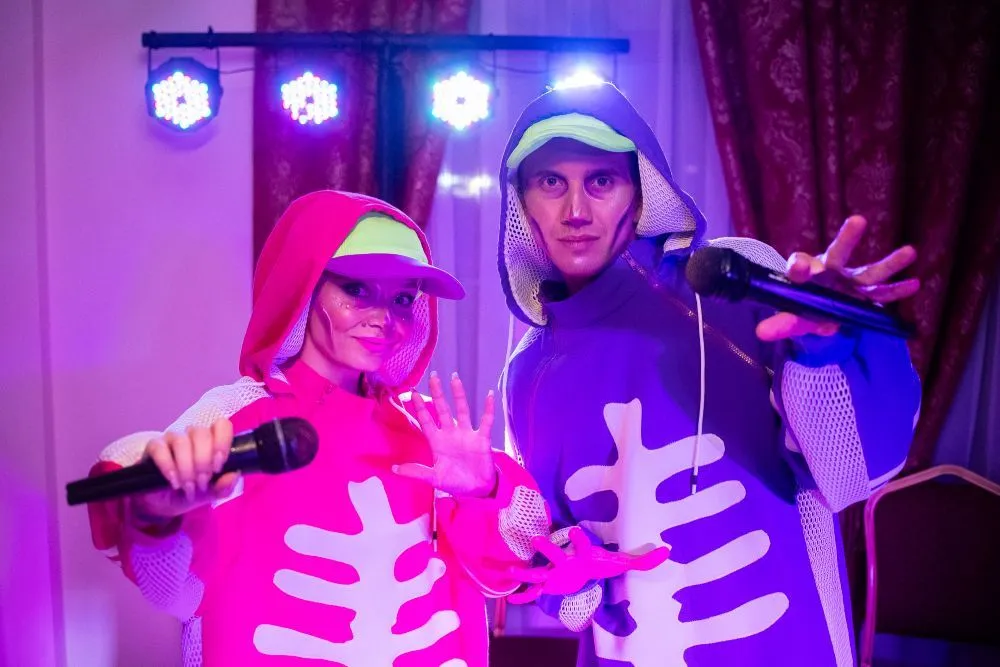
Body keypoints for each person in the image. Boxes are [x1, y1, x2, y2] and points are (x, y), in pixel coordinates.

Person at [496, 83, 922, 666]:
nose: (575, 211)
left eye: (601, 181)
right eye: (551, 182)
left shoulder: (730, 284)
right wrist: (560, 570)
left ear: (640, 192)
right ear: (522, 203)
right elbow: (559, 571)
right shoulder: (526, 373)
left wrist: (827, 344)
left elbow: (850, 472)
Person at [86, 190, 538, 666]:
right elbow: (173, 586)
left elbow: (506, 572)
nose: (385, 319)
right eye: (357, 290)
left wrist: (485, 490)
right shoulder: (237, 417)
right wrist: (155, 509)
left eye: (404, 298)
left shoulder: (430, 429)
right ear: (304, 288)